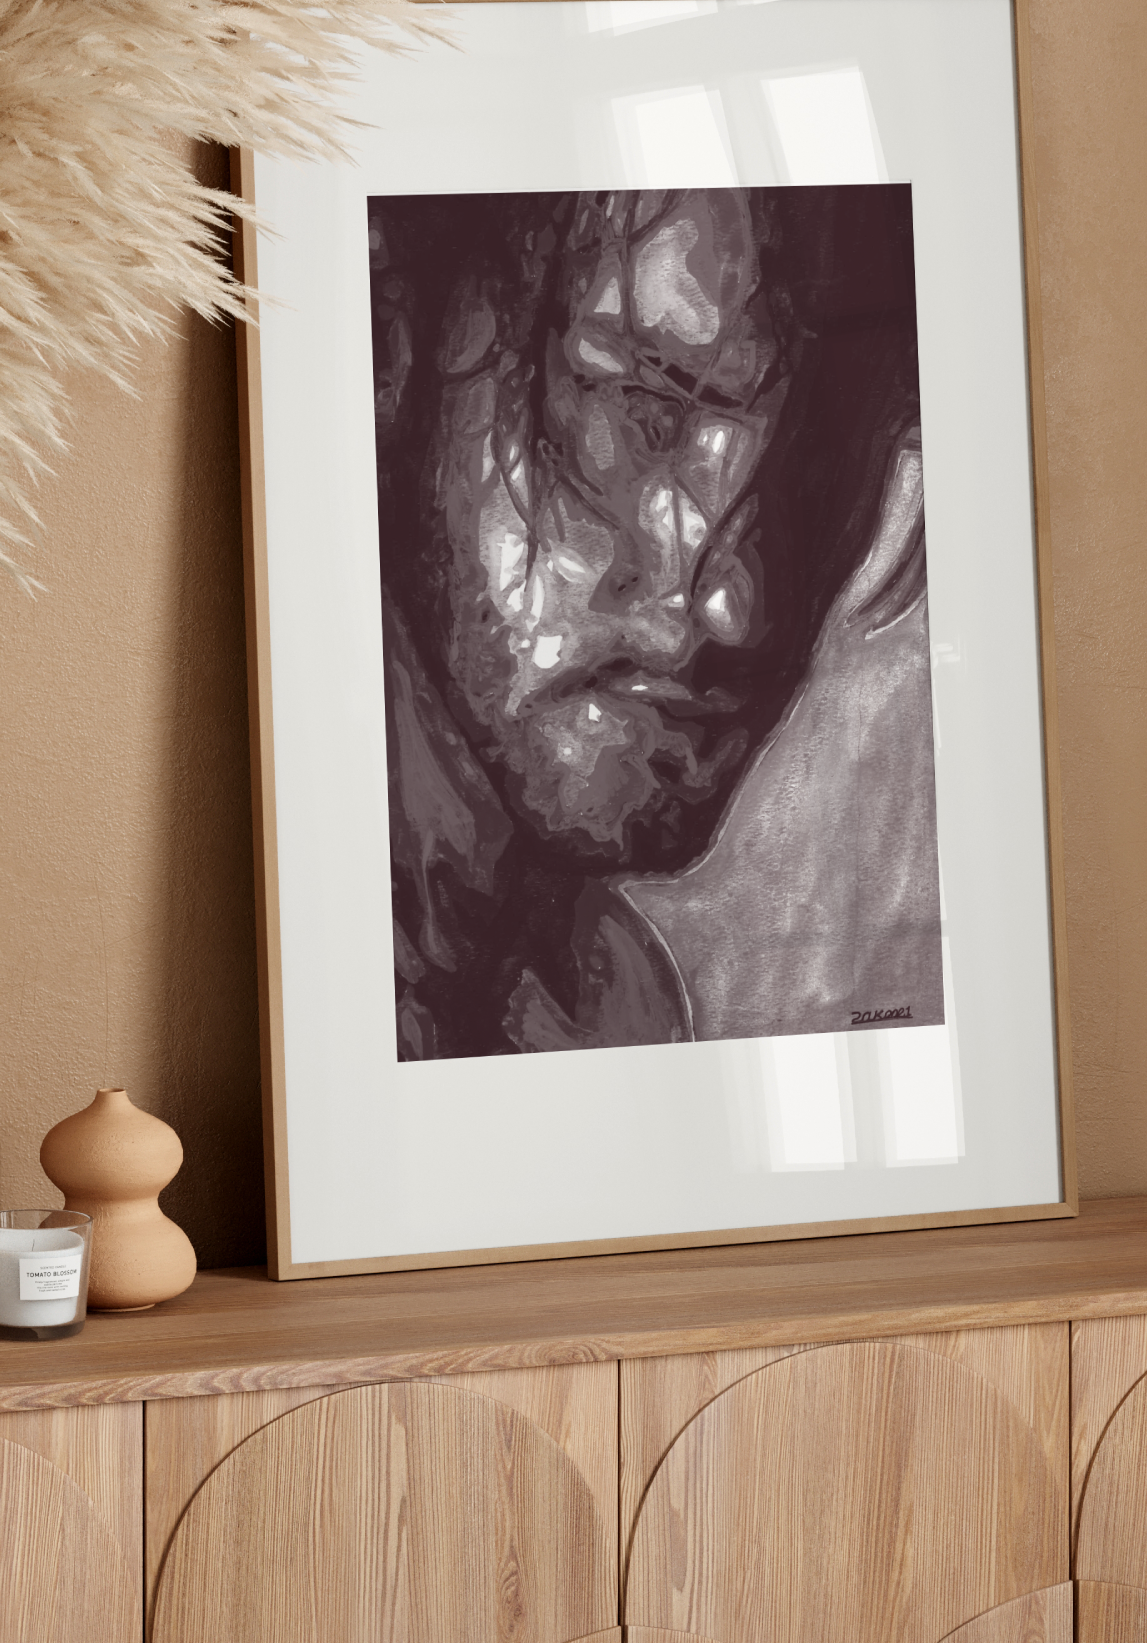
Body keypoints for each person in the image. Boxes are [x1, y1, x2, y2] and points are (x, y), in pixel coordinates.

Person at [371, 184, 942, 1061]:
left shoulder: (612, 1005)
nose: (736, 608)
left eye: (826, 458)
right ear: (390, 349)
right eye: (639, 406)